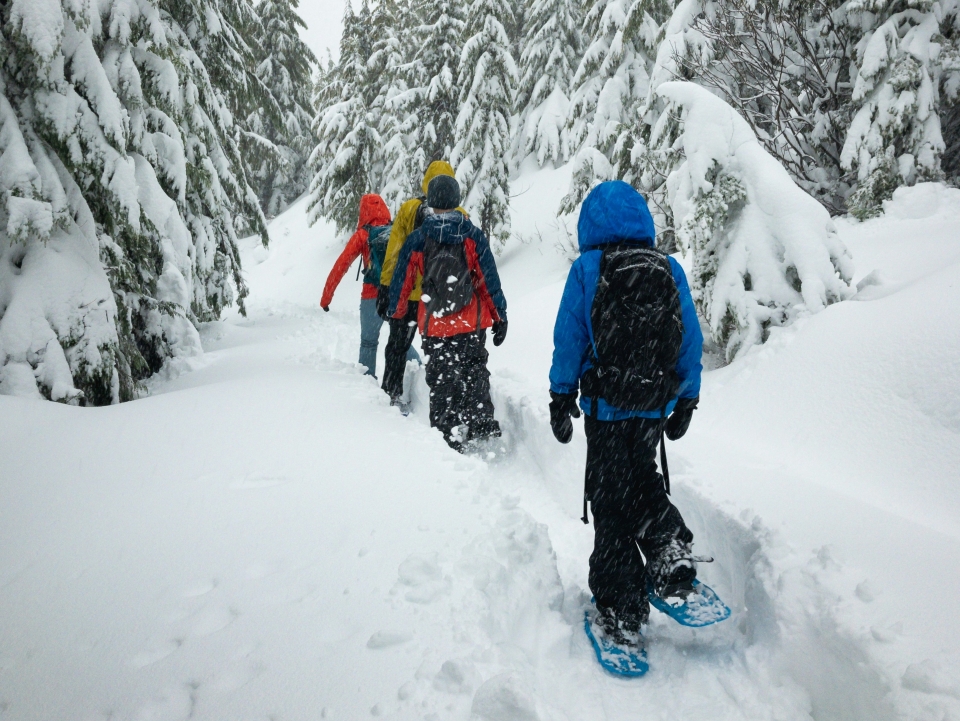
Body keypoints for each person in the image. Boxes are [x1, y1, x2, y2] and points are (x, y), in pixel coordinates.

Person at [548, 180, 704, 646]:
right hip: (652, 405)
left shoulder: (588, 269)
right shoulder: (667, 268)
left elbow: (569, 339)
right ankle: (668, 546)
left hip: (605, 406)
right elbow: (690, 339)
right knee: (644, 477)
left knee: (610, 500)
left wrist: (560, 397)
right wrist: (687, 399)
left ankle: (622, 605)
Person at [388, 175, 508, 451]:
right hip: (471, 322)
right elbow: (489, 279)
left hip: (435, 324)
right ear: (456, 200)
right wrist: (499, 315)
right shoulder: (472, 235)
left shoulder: (418, 239)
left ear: (430, 202)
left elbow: (402, 280)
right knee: (474, 370)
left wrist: (397, 311)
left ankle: (448, 433)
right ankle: (480, 423)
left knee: (442, 379)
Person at [377, 161, 465, 406]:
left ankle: (391, 394)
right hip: (442, 299)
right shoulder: (461, 215)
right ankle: (444, 403)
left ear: (427, 181)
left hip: (409, 296)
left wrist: (386, 288)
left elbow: (394, 253)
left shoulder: (408, 209)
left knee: (397, 346)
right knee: (443, 351)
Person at [320, 193, 420, 377]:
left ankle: (367, 385)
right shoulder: (396, 230)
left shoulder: (362, 235)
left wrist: (326, 298)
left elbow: (340, 266)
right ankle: (420, 372)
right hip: (395, 293)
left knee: (368, 342)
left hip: (371, 297)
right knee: (399, 339)